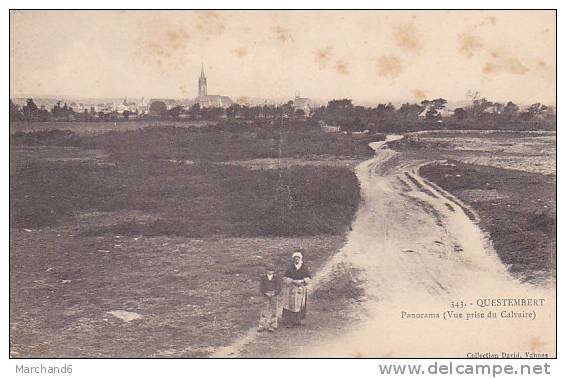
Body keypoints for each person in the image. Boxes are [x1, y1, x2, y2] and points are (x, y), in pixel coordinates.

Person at [282, 251, 311, 327]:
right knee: (290, 304)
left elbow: (308, 277)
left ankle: (298, 320)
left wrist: (302, 281)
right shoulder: (290, 267)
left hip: (300, 288)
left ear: (300, 259)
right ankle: (289, 321)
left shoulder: (304, 267)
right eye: (295, 258)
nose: (296, 260)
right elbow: (285, 278)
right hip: (291, 288)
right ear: (293, 259)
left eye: (298, 258)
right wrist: (293, 281)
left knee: (300, 304)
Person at [258, 264, 282, 332]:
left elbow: (279, 288)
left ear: (274, 271)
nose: (270, 272)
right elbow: (261, 287)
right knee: (264, 310)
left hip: (274, 295)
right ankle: (262, 325)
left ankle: (273, 325)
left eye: (271, 270)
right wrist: (266, 293)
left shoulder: (276, 278)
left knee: (274, 310)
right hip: (265, 295)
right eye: (268, 270)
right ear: (266, 271)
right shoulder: (263, 278)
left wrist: (274, 293)